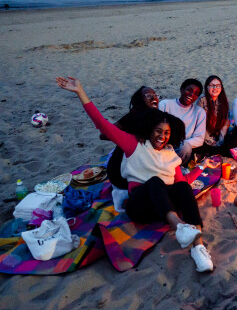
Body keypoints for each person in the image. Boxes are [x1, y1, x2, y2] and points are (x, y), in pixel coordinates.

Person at [56, 76, 215, 272]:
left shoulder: (170, 154)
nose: (162, 136)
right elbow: (102, 124)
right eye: (158, 131)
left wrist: (200, 169)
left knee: (182, 187)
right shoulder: (134, 145)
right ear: (149, 130)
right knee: (156, 181)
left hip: (162, 206)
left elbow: (182, 183)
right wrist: (80, 91)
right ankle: (180, 227)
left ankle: (198, 247)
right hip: (140, 206)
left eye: (166, 133)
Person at [103, 86, 159, 190]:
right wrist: (127, 136)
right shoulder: (132, 117)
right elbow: (103, 135)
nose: (154, 98)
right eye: (149, 96)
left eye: (155, 95)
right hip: (122, 174)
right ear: (140, 100)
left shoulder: (157, 117)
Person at [158, 79, 206, 163]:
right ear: (182, 89)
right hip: (162, 142)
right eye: (189, 90)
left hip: (180, 148)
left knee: (186, 147)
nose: (191, 95)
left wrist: (181, 144)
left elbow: (199, 138)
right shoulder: (165, 104)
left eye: (196, 94)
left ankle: (176, 168)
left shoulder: (199, 112)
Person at [195, 75, 231, 157]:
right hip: (205, 135)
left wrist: (221, 140)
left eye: (218, 86)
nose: (215, 88)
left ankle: (216, 149)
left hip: (219, 133)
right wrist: (209, 140)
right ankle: (214, 150)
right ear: (207, 87)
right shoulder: (202, 100)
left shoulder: (224, 100)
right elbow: (200, 123)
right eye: (212, 85)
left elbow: (225, 122)